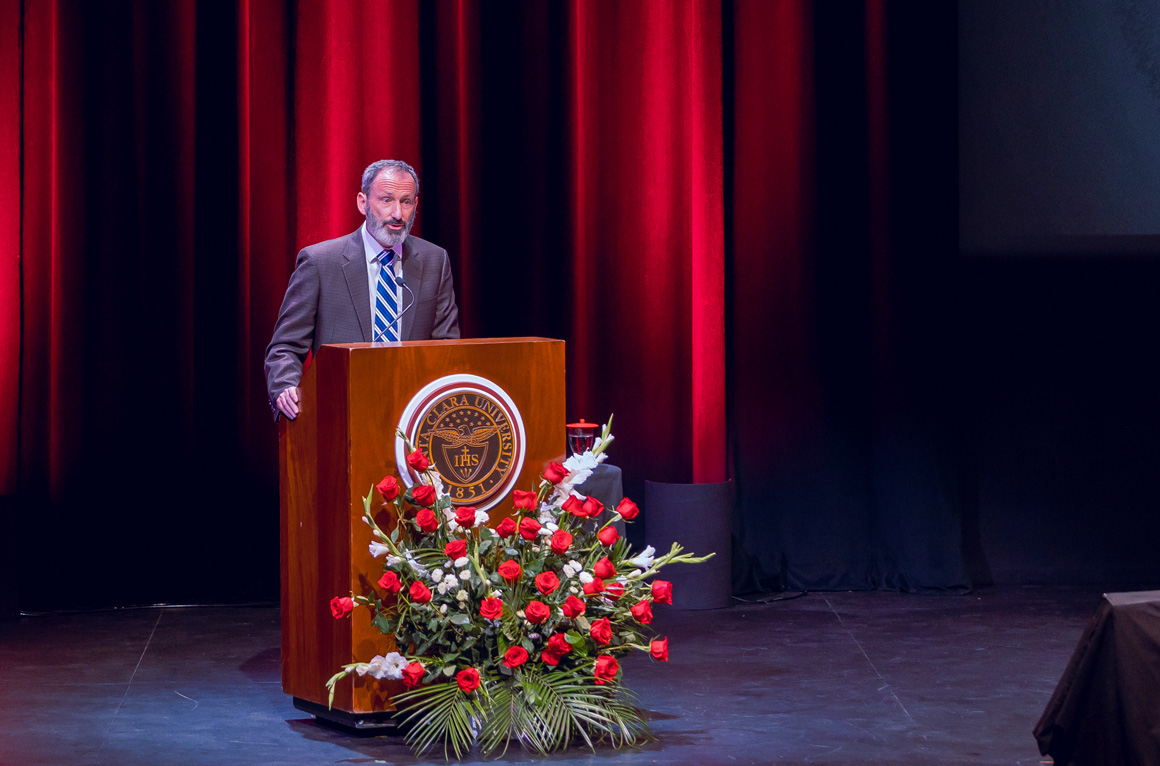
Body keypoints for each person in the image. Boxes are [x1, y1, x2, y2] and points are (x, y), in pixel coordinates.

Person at [264, 159, 460, 420]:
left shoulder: (435, 260)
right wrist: (285, 386)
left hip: (413, 417)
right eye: (386, 200)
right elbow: (285, 347)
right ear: (363, 202)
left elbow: (447, 346)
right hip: (339, 413)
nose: (397, 214)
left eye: (406, 201)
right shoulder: (320, 262)